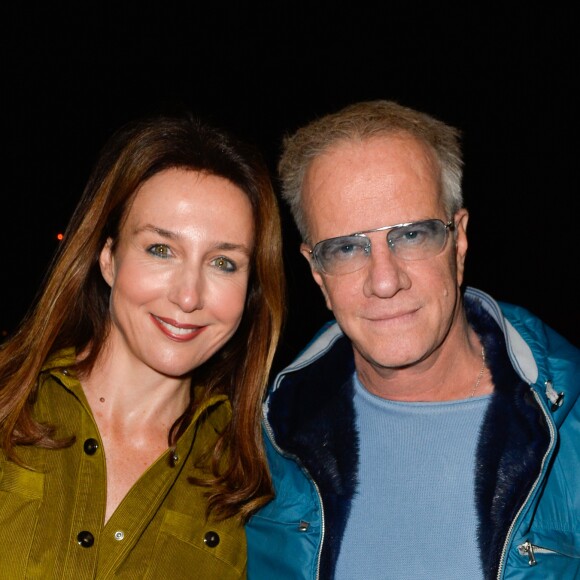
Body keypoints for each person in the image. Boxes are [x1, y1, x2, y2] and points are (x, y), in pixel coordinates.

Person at [245, 100, 580, 579]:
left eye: (411, 236)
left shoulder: (571, 431)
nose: (384, 281)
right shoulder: (259, 453)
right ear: (317, 273)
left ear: (458, 241)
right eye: (346, 247)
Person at [0, 111, 285, 578]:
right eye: (161, 250)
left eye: (224, 263)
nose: (188, 296)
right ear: (108, 258)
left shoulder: (253, 490)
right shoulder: (8, 401)